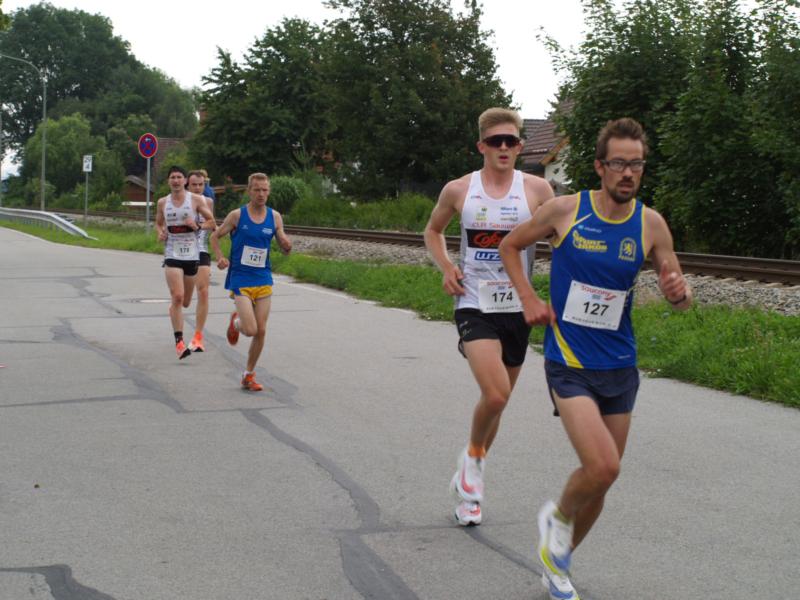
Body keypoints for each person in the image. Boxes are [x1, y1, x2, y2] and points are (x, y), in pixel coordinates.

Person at [499, 117, 692, 600]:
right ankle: (557, 518)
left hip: (620, 365)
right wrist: (528, 297)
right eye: (619, 163)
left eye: (637, 164)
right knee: (604, 466)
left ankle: (558, 563)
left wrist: (679, 293)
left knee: (600, 482)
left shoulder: (650, 224)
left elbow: (679, 294)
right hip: (569, 362)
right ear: (600, 166)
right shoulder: (565, 211)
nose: (628, 173)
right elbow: (510, 245)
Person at [424, 107, 554, 526]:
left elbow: (563, 235)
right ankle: (473, 479)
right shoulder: (459, 189)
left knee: (499, 403)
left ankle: (471, 470)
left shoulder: (537, 190)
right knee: (495, 395)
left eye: (510, 141)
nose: (503, 147)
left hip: (518, 307)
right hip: (474, 302)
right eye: (495, 141)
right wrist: (447, 266)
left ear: (520, 146)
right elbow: (433, 231)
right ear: (481, 146)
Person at [209, 172, 292, 391]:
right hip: (241, 278)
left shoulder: (275, 217)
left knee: (261, 330)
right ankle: (237, 323)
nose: (261, 194)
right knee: (251, 329)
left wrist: (286, 245)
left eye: (265, 190)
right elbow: (214, 236)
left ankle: (248, 374)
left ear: (269, 192)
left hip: (263, 277)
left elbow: (283, 244)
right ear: (249, 191)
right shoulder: (237, 216)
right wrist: (220, 257)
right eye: (257, 190)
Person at [155, 166, 215, 360]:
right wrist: (160, 233)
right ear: (168, 181)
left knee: (186, 301)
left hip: (192, 254)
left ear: (184, 181)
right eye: (172, 177)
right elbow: (158, 223)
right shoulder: (162, 202)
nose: (176, 180)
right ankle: (179, 342)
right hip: (172, 253)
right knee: (178, 296)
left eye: (179, 177)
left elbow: (212, 223)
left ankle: (175, 309)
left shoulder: (196, 200)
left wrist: (197, 225)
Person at [185, 170, 216, 352]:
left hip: (201, 250)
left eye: (200, 185)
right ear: (187, 185)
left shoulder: (208, 202)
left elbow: (212, 224)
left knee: (203, 292)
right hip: (182, 253)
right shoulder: (179, 202)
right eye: (194, 185)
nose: (197, 188)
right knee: (184, 300)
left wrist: (201, 226)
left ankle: (198, 336)